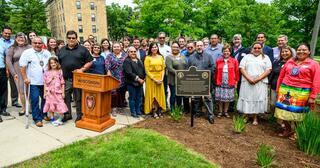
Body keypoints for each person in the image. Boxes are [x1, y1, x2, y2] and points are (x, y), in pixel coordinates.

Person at [274, 43, 320, 140]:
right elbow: (281, 76)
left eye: (304, 50)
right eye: (299, 50)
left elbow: (317, 80)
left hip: (302, 92)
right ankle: (287, 129)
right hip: (285, 90)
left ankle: (296, 132)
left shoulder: (313, 64)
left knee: (298, 114)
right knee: (283, 111)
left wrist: (313, 96)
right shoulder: (290, 62)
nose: (301, 52)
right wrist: (278, 89)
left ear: (309, 52)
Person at [57, 30, 93, 122]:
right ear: (67, 38)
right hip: (66, 79)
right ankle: (67, 114)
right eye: (69, 38)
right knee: (66, 98)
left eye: (73, 38)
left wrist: (82, 70)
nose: (71, 39)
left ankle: (79, 115)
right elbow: (58, 64)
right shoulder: (61, 50)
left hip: (79, 79)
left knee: (78, 98)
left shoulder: (83, 49)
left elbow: (90, 61)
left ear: (76, 38)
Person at [237, 42, 272, 125]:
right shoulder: (247, 57)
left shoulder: (265, 58)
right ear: (252, 48)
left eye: (259, 48)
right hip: (247, 81)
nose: (256, 49)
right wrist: (249, 78)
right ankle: (246, 115)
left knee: (257, 98)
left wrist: (257, 79)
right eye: (255, 48)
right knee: (247, 97)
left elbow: (268, 70)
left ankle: (255, 117)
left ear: (261, 49)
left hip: (260, 82)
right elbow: (242, 68)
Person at [20, 37, 52, 127]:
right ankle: (37, 118)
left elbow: (50, 65)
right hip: (33, 81)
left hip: (45, 82)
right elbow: (22, 67)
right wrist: (25, 78)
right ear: (32, 43)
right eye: (35, 43)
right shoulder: (27, 53)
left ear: (42, 44)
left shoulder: (46, 53)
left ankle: (44, 114)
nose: (37, 45)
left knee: (45, 99)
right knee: (34, 100)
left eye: (39, 43)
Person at [188, 41, 215, 124]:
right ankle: (197, 112)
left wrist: (205, 74)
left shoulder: (209, 56)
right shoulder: (191, 57)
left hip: (206, 81)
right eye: (198, 46)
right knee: (196, 98)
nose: (199, 47)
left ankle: (210, 115)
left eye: (201, 45)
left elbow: (213, 67)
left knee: (208, 98)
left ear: (204, 46)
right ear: (195, 47)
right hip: (196, 81)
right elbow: (188, 69)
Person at [6, 32, 31, 116]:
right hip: (18, 73)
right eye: (19, 38)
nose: (21, 39)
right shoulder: (12, 48)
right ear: (16, 39)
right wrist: (13, 73)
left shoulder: (29, 47)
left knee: (29, 90)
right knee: (21, 91)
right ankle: (24, 108)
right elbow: (8, 61)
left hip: (29, 71)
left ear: (25, 39)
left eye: (22, 38)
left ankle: (30, 107)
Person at [215, 44, 239, 118]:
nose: (226, 53)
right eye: (224, 51)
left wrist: (236, 82)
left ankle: (225, 111)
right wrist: (215, 81)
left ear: (230, 52)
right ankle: (220, 111)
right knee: (220, 97)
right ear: (222, 52)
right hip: (220, 80)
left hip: (230, 81)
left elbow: (237, 71)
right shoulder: (218, 61)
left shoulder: (234, 61)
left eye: (227, 51)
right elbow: (216, 72)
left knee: (227, 98)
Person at [43, 57, 68, 126]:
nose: (53, 64)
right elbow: (45, 83)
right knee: (51, 105)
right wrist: (45, 93)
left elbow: (62, 83)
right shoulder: (46, 72)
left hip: (58, 92)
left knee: (61, 104)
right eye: (51, 63)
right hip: (50, 92)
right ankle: (52, 119)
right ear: (49, 64)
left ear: (57, 63)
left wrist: (63, 92)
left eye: (54, 62)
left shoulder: (60, 71)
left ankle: (60, 118)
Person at [144, 42, 166, 118]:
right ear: (150, 48)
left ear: (157, 48)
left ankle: (159, 109)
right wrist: (154, 79)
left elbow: (163, 68)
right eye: (153, 47)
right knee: (152, 95)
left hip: (160, 78)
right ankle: (153, 110)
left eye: (155, 47)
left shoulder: (161, 57)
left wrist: (162, 78)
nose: (154, 48)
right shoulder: (147, 58)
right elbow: (147, 71)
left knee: (159, 95)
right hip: (151, 79)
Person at [269, 46, 294, 113]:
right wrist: (269, 83)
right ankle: (273, 117)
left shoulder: (294, 63)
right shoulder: (276, 62)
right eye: (282, 52)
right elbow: (272, 73)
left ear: (291, 52)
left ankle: (281, 119)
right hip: (275, 85)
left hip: (287, 87)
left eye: (286, 51)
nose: (284, 53)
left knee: (284, 104)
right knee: (273, 103)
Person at [123, 46, 145, 118]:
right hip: (131, 83)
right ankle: (133, 112)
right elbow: (129, 73)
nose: (133, 53)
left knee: (139, 97)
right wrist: (139, 79)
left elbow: (142, 70)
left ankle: (138, 110)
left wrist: (143, 78)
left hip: (140, 83)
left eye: (134, 51)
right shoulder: (127, 61)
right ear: (128, 52)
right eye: (131, 51)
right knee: (132, 98)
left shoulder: (139, 60)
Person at [105, 42, 126, 116]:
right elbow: (107, 66)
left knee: (121, 93)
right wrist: (108, 72)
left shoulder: (124, 55)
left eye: (118, 46)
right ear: (112, 48)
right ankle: (113, 108)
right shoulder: (109, 56)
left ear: (120, 47)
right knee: (114, 94)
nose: (116, 48)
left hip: (123, 77)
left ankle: (121, 107)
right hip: (113, 77)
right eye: (115, 47)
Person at [166, 41, 187, 109]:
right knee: (174, 94)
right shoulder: (168, 57)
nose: (175, 48)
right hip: (173, 79)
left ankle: (179, 109)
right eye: (174, 47)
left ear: (179, 48)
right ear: (171, 48)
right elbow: (170, 68)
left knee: (180, 95)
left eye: (177, 47)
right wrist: (179, 74)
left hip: (181, 79)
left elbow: (185, 66)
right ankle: (172, 110)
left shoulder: (183, 56)